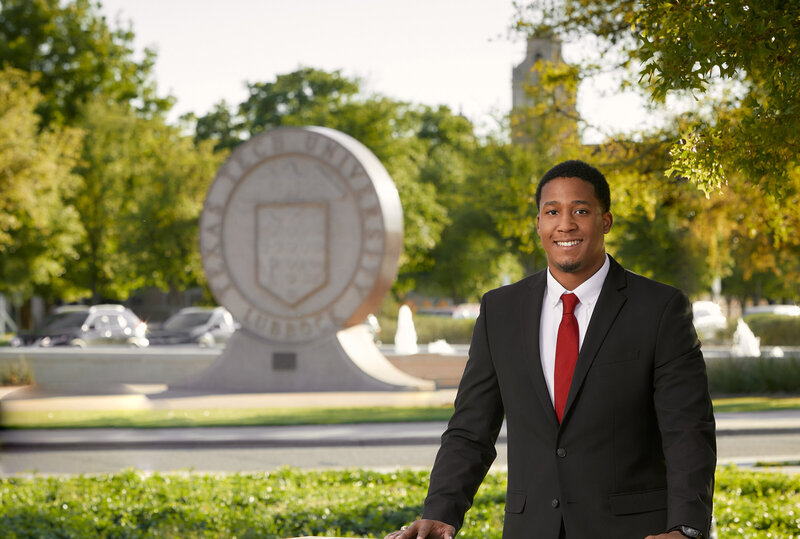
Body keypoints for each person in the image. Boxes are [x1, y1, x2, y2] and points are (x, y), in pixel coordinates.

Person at [385, 160, 716, 539]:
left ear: (605, 221)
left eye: (580, 211)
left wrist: (686, 529)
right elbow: (470, 429)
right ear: (539, 224)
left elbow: (688, 430)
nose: (565, 224)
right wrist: (441, 511)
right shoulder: (500, 311)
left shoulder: (659, 309)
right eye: (552, 212)